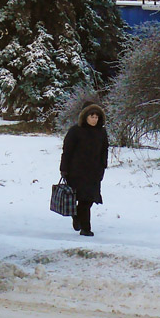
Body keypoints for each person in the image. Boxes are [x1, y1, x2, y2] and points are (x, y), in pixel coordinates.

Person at [59, 101, 109, 237]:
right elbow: (67, 151)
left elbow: (104, 150)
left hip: (94, 172)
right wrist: (64, 169)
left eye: (96, 117)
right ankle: (85, 228)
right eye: (92, 116)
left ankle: (76, 216)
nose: (94, 119)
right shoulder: (75, 131)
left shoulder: (101, 132)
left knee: (89, 199)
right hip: (77, 171)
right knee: (83, 199)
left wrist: (103, 166)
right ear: (85, 116)